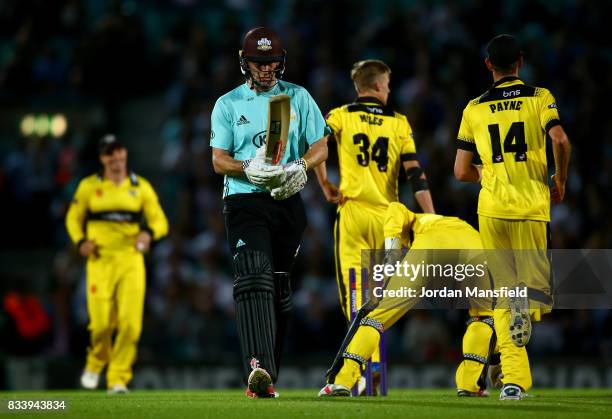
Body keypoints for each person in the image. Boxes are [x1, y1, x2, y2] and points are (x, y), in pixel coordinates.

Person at [209, 26, 328, 398]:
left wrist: (302, 168)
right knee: (253, 275)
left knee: (277, 286)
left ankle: (268, 378)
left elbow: (320, 146)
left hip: (286, 201)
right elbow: (218, 161)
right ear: (244, 63)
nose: (265, 69)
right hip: (245, 200)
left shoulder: (298, 97)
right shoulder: (227, 104)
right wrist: (247, 168)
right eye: (258, 63)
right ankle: (257, 366)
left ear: (282, 62)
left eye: (271, 62)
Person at [454, 34, 571, 400]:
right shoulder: (540, 97)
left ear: (488, 65)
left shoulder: (473, 107)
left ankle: (511, 380)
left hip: (491, 210)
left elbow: (460, 171)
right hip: (532, 207)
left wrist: (487, 174)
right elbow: (561, 140)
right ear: (520, 62)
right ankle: (514, 360)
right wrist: (560, 179)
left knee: (503, 296)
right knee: (533, 295)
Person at [314, 59, 434, 391]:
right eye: (389, 84)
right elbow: (415, 174)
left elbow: (318, 147)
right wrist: (430, 217)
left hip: (352, 213)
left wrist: (324, 183)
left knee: (355, 301)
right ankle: (373, 375)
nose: (390, 90)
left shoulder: (340, 115)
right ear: (379, 86)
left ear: (359, 87)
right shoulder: (399, 123)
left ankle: (357, 378)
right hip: (388, 219)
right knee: (379, 302)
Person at [319, 202, 488, 396]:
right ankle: (471, 385)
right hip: (477, 249)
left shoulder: (416, 219)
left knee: (374, 318)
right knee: (485, 318)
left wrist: (391, 255)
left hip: (431, 246)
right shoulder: (459, 224)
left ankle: (342, 381)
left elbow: (394, 209)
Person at [65, 135, 169, 393]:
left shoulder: (140, 187)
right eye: (110, 155)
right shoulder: (89, 187)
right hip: (99, 261)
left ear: (125, 155)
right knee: (101, 325)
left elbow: (160, 222)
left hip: (130, 261)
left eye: (120, 154)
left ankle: (118, 378)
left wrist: (148, 234)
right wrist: (80, 242)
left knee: (131, 325)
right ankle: (96, 360)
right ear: (102, 159)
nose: (116, 159)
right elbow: (73, 219)